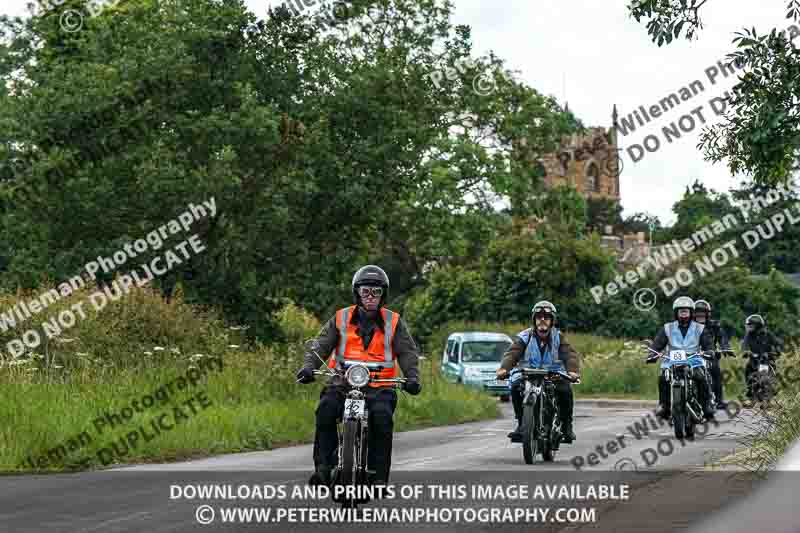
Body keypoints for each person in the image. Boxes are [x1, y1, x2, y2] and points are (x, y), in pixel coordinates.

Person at [295, 265, 422, 486]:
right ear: (357, 292)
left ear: (383, 295)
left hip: (380, 388)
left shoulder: (394, 322)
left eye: (377, 291)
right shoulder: (341, 318)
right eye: (366, 291)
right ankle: (323, 468)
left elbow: (407, 352)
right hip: (341, 384)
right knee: (325, 410)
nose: (371, 296)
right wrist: (308, 367)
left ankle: (378, 476)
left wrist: (412, 378)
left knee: (382, 419)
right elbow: (321, 346)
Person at [495, 301, 580, 444]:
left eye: (546, 317)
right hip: (528, 374)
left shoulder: (558, 337)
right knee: (516, 387)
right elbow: (513, 353)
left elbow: (569, 354)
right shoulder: (525, 336)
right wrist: (504, 368)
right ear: (534, 319)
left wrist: (572, 371)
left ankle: (566, 426)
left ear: (552, 321)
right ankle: (522, 424)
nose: (542, 320)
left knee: (565, 391)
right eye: (539, 317)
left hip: (553, 375)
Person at [646, 296, 716, 421]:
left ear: (691, 312)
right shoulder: (667, 327)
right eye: (681, 311)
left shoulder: (700, 328)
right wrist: (652, 354)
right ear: (676, 313)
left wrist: (710, 351)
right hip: (672, 360)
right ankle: (664, 406)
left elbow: (708, 343)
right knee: (663, 377)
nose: (683, 313)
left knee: (701, 376)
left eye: (686, 311)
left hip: (693, 359)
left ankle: (706, 406)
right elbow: (658, 343)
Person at [693, 299, 734, 409]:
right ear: (693, 314)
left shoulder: (714, 325)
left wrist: (726, 348)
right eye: (697, 314)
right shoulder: (688, 326)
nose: (700, 316)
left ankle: (719, 400)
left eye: (702, 314)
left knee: (716, 372)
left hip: (709, 354)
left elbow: (722, 338)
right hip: (691, 355)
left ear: (708, 314)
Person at [740, 314, 783, 406]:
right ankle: (751, 398)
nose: (749, 327)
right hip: (754, 360)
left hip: (767, 360)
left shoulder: (768, 334)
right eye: (748, 325)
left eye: (751, 325)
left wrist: (777, 351)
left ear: (758, 325)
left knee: (768, 377)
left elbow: (777, 343)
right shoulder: (749, 335)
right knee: (748, 370)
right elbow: (744, 345)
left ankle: (768, 400)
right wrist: (746, 352)